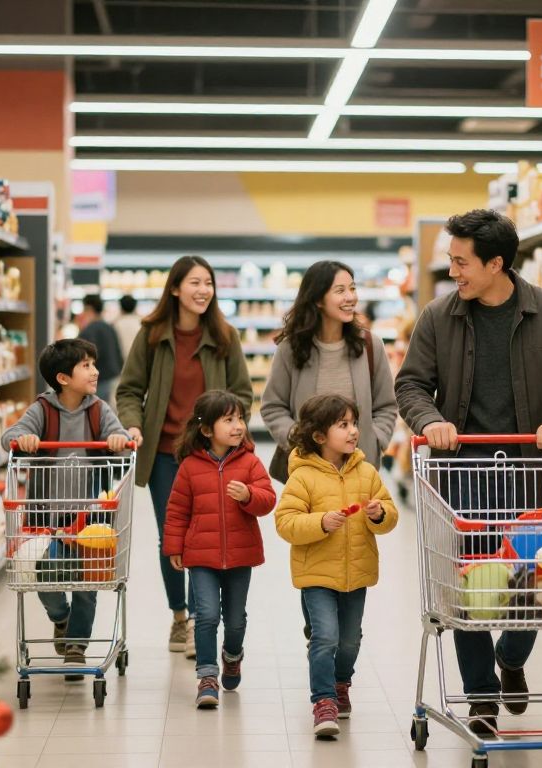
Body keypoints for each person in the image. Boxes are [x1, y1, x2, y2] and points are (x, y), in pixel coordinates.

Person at [394, 209, 542, 733]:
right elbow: (410, 385)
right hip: (462, 477)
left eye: (462, 262)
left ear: (496, 263)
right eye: (452, 261)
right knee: (471, 591)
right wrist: (431, 420)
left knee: (529, 586)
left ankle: (511, 658)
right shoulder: (439, 316)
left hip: (529, 478)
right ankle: (481, 698)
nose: (453, 271)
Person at [116, 255, 253, 658]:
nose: (202, 290)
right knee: (171, 537)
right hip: (163, 454)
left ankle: (197, 619)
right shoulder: (152, 335)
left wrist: (228, 426)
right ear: (175, 288)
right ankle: (179, 614)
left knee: (204, 536)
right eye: (194, 282)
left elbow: (242, 392)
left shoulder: (225, 336)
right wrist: (133, 423)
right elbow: (129, 390)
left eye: (208, 283)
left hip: (211, 455)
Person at [260, 260, 398, 641]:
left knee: (351, 545)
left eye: (352, 288)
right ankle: (320, 631)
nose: (350, 297)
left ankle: (333, 635)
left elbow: (387, 404)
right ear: (317, 298)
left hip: (357, 469)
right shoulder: (292, 349)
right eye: (340, 289)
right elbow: (272, 406)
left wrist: (376, 439)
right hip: (308, 473)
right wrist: (302, 440)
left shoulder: (369, 346)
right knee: (314, 548)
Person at [1, 338, 131, 680]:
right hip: (47, 519)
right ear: (62, 378)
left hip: (91, 520)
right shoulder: (41, 410)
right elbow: (11, 436)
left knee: (87, 582)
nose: (95, 371)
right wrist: (23, 439)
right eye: (86, 365)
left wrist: (117, 441)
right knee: (46, 575)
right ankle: (61, 617)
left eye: (93, 363)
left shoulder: (99, 409)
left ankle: (76, 646)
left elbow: (119, 438)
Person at [274, 394, 399, 738]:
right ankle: (324, 701)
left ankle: (342, 682)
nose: (353, 431)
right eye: (342, 425)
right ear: (318, 436)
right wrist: (320, 523)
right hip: (316, 572)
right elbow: (285, 522)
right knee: (325, 637)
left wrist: (379, 514)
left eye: (354, 423)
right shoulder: (302, 477)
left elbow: (390, 516)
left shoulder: (367, 472)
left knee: (350, 641)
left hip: (356, 572)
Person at [163, 390, 276, 709]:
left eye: (240, 418)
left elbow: (268, 501)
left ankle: (233, 655)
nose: (238, 425)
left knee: (236, 619)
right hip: (201, 556)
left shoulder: (251, 462)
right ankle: (207, 677)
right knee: (207, 615)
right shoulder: (189, 467)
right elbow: (177, 510)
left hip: (240, 555)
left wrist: (249, 496)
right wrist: (174, 546)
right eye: (229, 420)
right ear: (207, 430)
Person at [77, 293, 124, 404]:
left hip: (99, 379)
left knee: (95, 412)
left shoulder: (89, 330)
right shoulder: (109, 327)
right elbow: (118, 352)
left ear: (88, 308)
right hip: (113, 375)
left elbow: (85, 357)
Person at [113, 294, 141, 361]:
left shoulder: (116, 325)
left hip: (122, 363)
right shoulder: (141, 323)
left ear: (121, 307)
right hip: (139, 361)